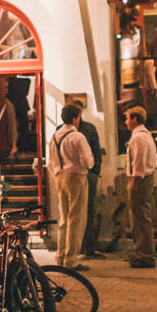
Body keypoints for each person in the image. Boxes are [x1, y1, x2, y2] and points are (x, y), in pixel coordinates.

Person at [48, 102, 95, 269]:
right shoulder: (78, 137)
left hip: (59, 176)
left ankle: (60, 256)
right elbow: (87, 161)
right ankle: (71, 260)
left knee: (63, 219)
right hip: (76, 177)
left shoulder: (55, 136)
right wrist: (90, 163)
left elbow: (51, 160)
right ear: (76, 118)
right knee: (76, 219)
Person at [64, 94, 107, 259]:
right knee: (73, 212)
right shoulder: (63, 130)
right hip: (72, 175)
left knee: (90, 210)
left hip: (88, 175)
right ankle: (75, 247)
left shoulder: (89, 128)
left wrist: (95, 171)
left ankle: (89, 246)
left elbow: (96, 151)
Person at [123, 106, 157, 268]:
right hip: (144, 178)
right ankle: (141, 251)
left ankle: (145, 254)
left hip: (140, 180)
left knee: (140, 218)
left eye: (128, 118)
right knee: (139, 217)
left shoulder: (139, 138)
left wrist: (134, 181)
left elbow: (138, 160)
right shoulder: (143, 135)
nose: (126, 121)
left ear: (135, 119)